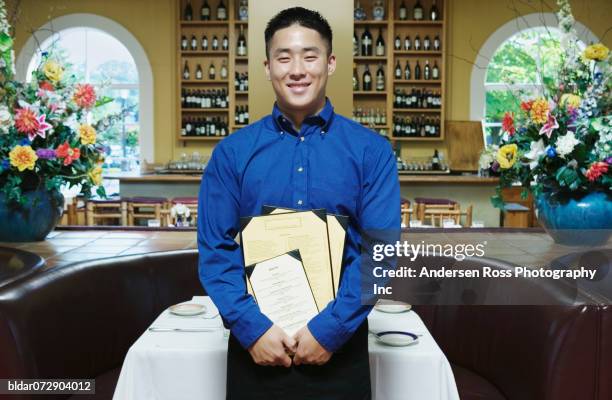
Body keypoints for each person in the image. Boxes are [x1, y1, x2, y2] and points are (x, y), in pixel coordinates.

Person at [197, 7, 400, 400]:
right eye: (284, 57)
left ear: (330, 62)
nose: (297, 69)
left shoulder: (371, 152)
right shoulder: (232, 154)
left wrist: (331, 331)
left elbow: (379, 252)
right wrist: (251, 328)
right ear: (267, 66)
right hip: (255, 349)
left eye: (310, 55)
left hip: (340, 350)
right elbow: (214, 250)